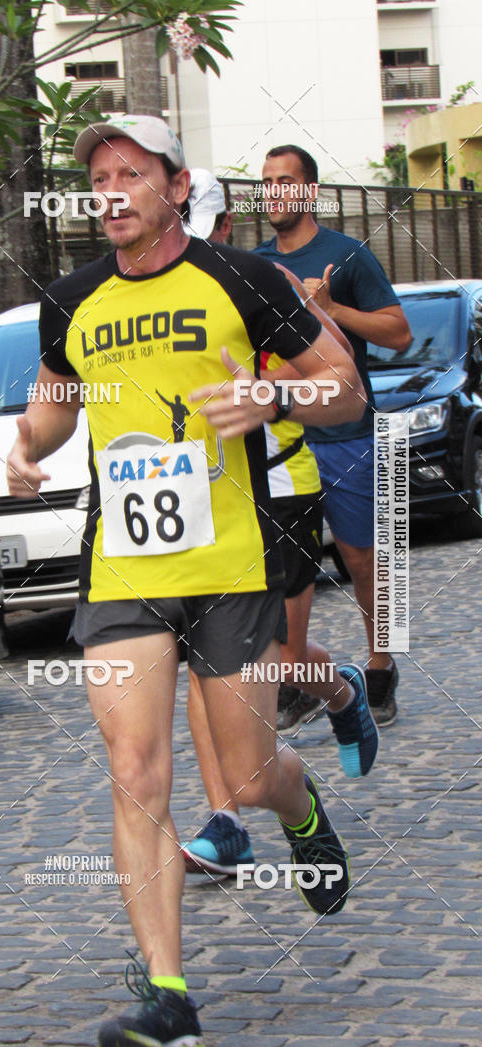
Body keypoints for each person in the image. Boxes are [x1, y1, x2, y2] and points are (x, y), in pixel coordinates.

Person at [6, 116, 364, 1047]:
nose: (111, 191)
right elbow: (57, 396)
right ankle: (168, 999)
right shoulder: (72, 298)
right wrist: (28, 445)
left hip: (234, 568)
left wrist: (275, 397)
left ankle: (301, 810)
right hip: (122, 571)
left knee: (245, 777)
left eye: (130, 173)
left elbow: (348, 390)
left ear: (175, 183)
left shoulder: (242, 279)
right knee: (137, 772)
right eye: (98, 178)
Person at [181, 174, 379, 879]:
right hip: (204, 507)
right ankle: (226, 820)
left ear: (227, 227)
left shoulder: (267, 285)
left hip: (280, 491)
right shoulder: (150, 293)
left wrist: (273, 396)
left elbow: (343, 384)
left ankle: (341, 690)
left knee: (276, 659)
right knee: (202, 665)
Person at [254, 145, 412, 728]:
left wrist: (330, 308)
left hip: (348, 434)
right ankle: (295, 679)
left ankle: (380, 665)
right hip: (283, 441)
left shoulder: (347, 256)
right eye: (267, 182)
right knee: (288, 569)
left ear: (310, 191)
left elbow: (397, 334)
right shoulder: (253, 266)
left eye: (287, 181)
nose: (276, 192)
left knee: (363, 558)